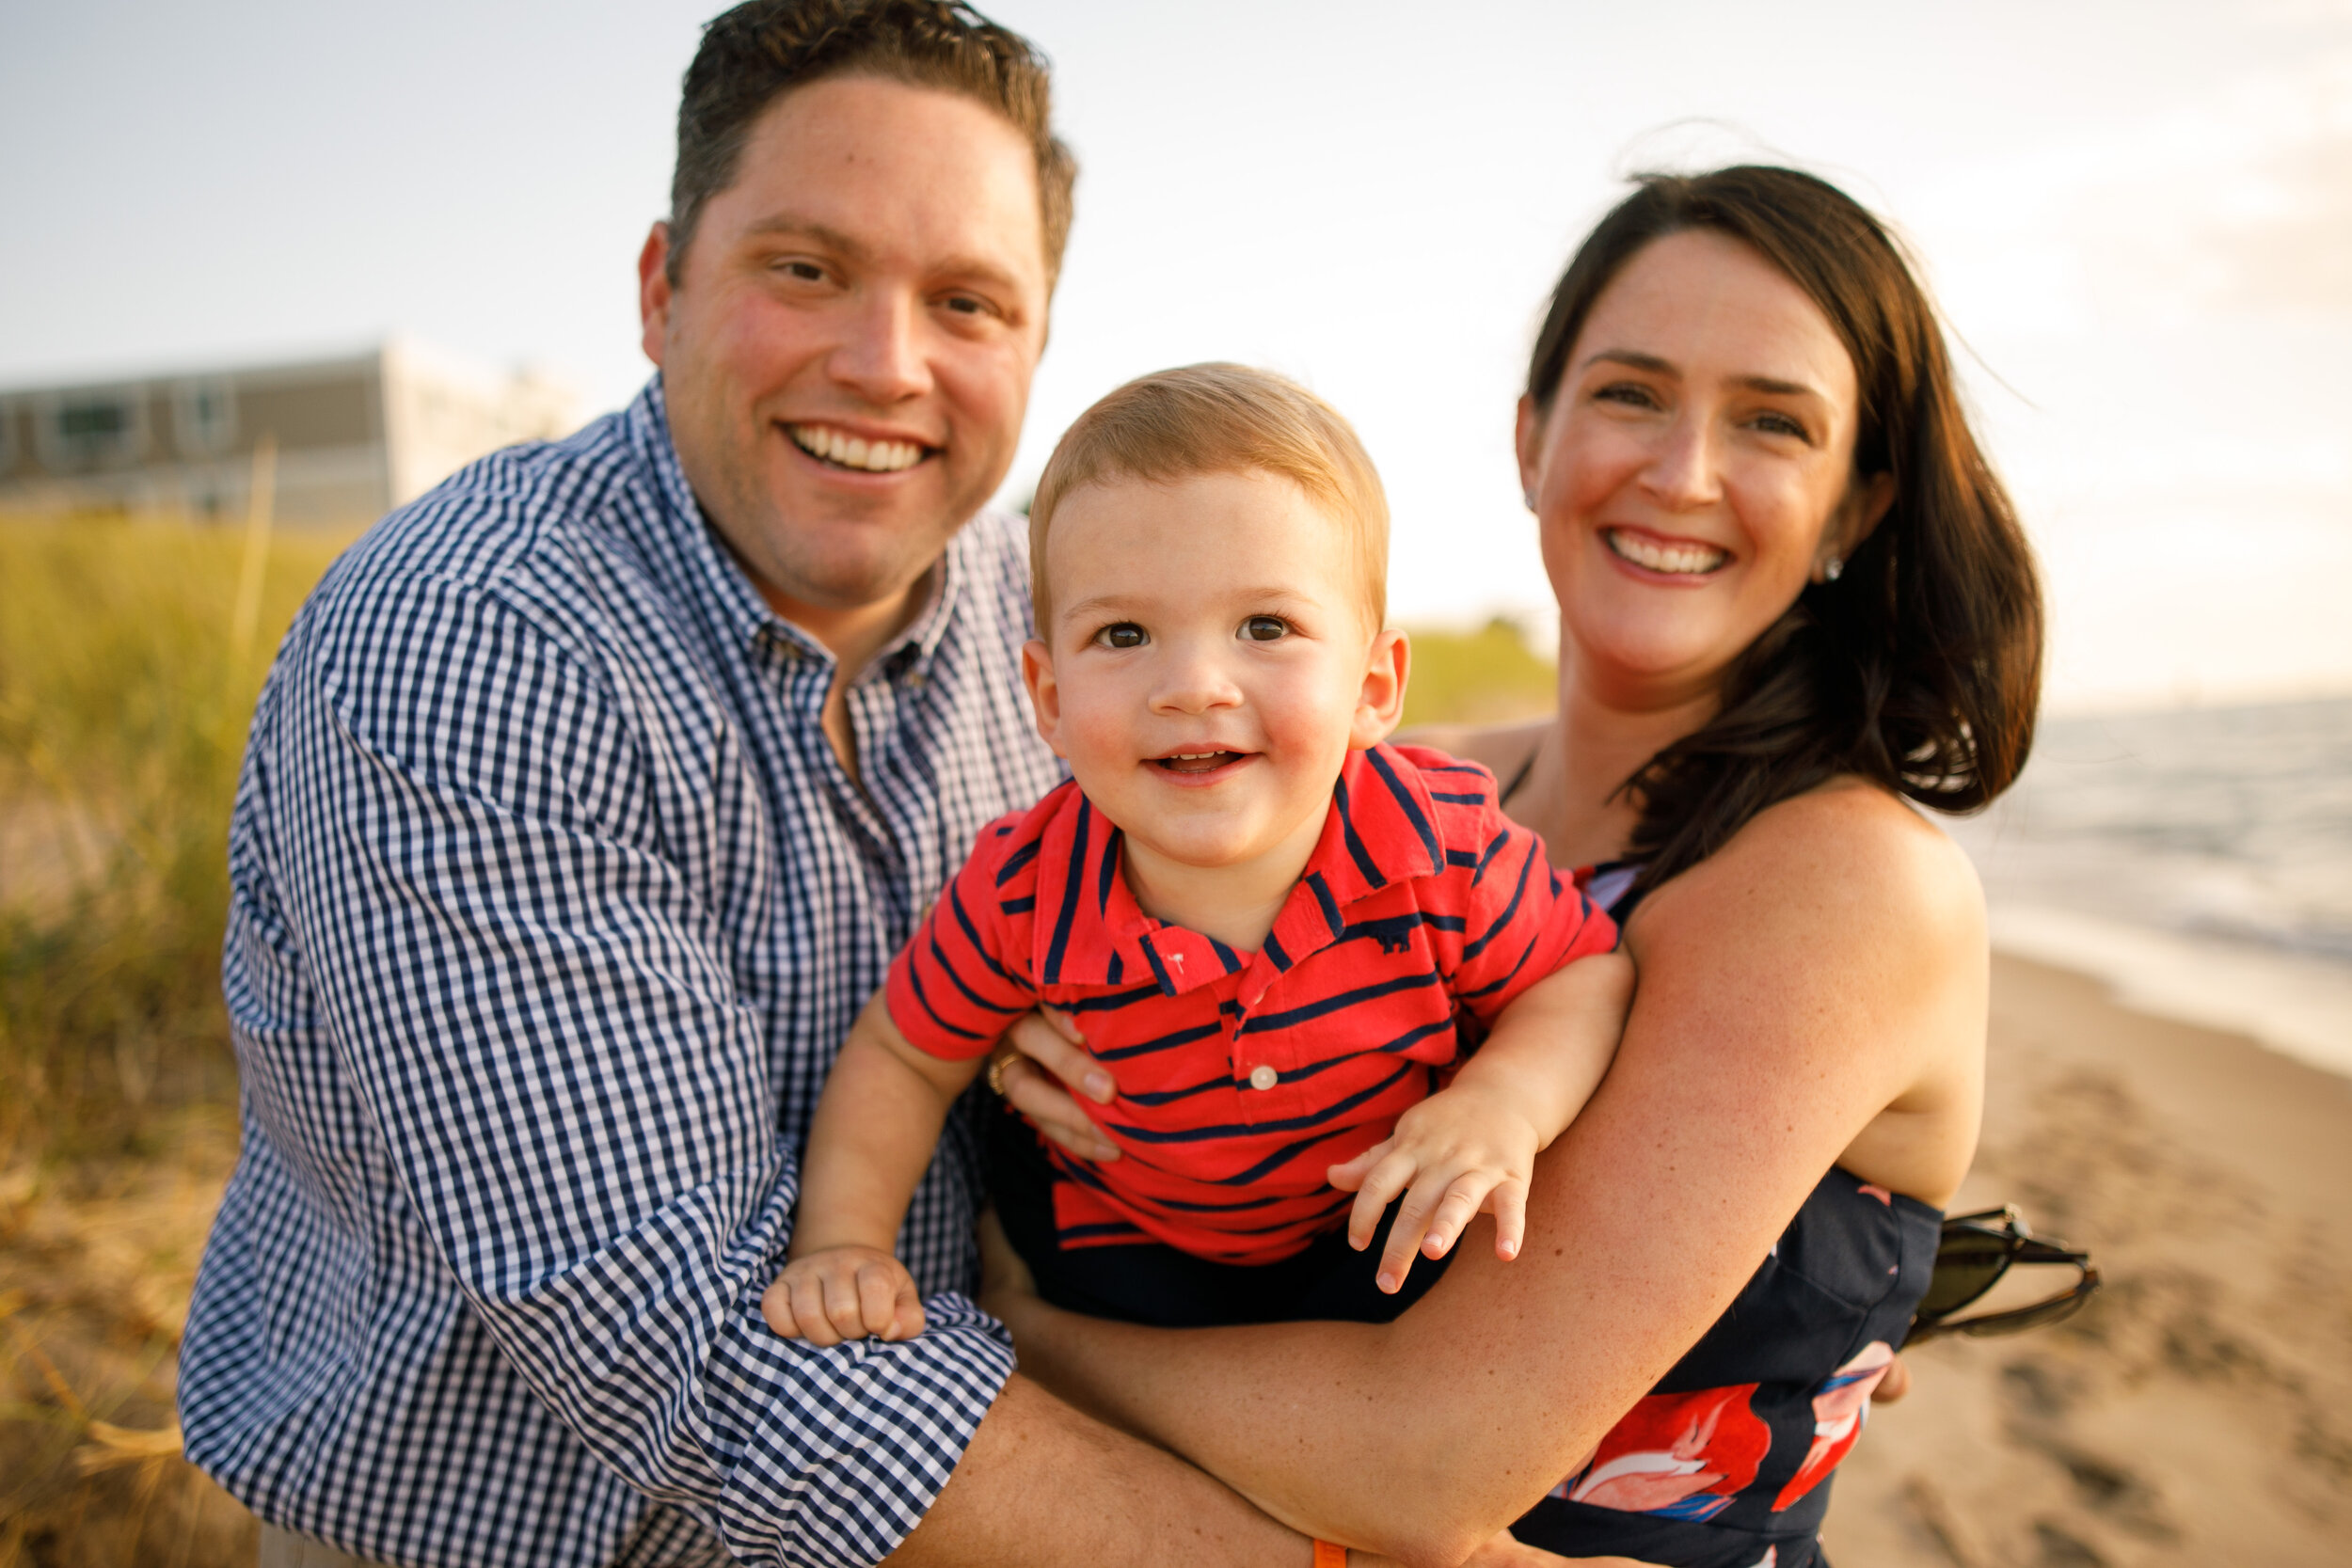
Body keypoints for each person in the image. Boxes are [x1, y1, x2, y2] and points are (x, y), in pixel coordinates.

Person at [178, 5, 1456, 1565]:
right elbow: (689, 1348)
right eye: (807, 269)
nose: (886, 365)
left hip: (983, 1480)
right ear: (663, 288)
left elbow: (1356, 788)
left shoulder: (1045, 616)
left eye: (969, 301)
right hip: (544, 1531)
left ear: (1037, 346)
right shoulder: (483, 643)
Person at [982, 165, 2042, 1568]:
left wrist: (1016, 1324)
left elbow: (1418, 1462)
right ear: (1532, 437)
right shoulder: (1404, 787)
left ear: (1856, 505)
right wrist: (1044, 1036)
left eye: (1773, 421)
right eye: (1630, 393)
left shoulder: (1845, 877)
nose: (1682, 470)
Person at [765, 365, 1631, 1349]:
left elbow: (1582, 978)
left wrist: (1503, 1097)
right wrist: (844, 1239)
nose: (1191, 684)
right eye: (1123, 632)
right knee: (1108, 1394)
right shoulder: (1021, 888)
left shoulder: (1440, 842)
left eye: (1265, 626)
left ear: (1374, 682)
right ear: (1047, 696)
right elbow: (902, 1054)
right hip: (1121, 1241)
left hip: (1364, 1223)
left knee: (1421, 1326)